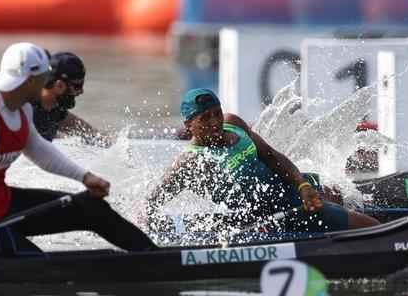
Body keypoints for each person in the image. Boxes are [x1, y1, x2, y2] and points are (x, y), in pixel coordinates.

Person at [0, 42, 155, 257]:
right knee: (41, 268)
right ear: (29, 80)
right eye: (44, 76)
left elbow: (38, 150)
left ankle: (154, 257)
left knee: (91, 207)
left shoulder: (22, 107)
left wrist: (85, 177)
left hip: (3, 204)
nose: (48, 81)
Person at [145, 88, 379, 234]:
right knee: (371, 228)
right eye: (205, 118)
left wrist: (303, 185)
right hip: (276, 216)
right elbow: (151, 204)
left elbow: (271, 156)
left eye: (217, 112)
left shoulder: (233, 123)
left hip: (292, 190)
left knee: (340, 195)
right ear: (189, 125)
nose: (215, 122)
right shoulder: (189, 162)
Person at [32, 51, 109, 144]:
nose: (81, 91)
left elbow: (90, 134)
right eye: (77, 86)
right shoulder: (27, 112)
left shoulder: (54, 110)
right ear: (59, 85)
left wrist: (110, 144)